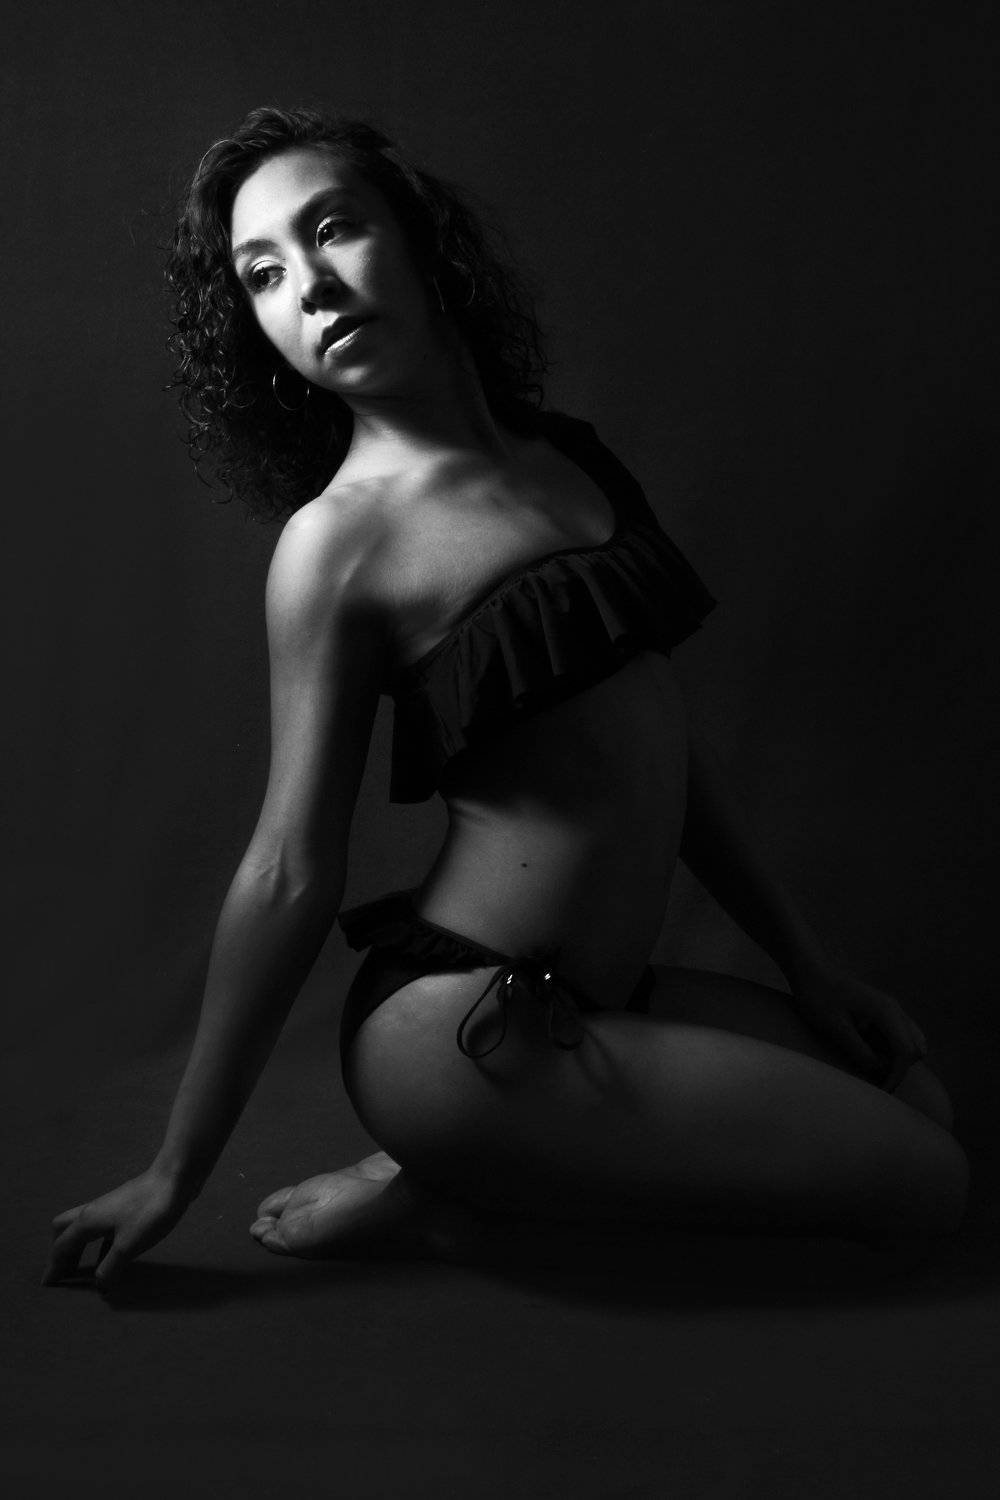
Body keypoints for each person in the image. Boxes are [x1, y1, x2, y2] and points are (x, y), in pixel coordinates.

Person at [43, 107, 968, 1292]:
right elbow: (286, 869)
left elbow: (660, 753)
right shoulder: (337, 547)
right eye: (261, 274)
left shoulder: (567, 458)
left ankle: (458, 1173)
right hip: (464, 1032)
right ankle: (454, 1205)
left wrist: (807, 966)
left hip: (600, 1000)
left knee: (918, 1097)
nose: (309, 288)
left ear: (419, 239)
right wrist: (174, 1172)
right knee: (928, 1183)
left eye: (332, 229)